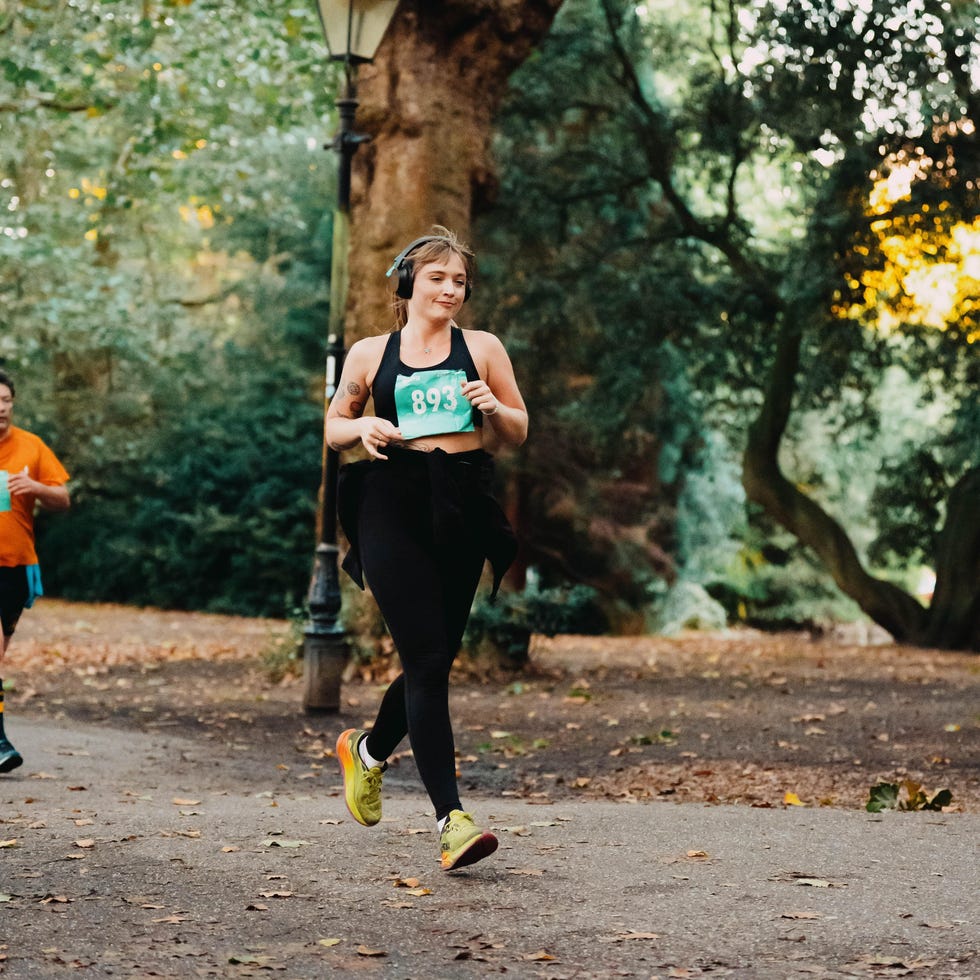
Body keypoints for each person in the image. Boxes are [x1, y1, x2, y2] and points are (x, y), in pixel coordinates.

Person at [327, 227, 528, 871]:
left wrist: (493, 406)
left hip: (461, 500)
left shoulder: (483, 348)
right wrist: (362, 425)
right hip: (390, 500)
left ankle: (367, 752)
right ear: (409, 282)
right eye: (439, 277)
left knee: (433, 661)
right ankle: (452, 820)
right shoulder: (369, 353)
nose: (451, 289)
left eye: (460, 281)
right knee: (426, 654)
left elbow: (518, 432)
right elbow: (334, 427)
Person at [0, 369, 71, 773]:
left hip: (17, 567)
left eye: (6, 400)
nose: (1, 408)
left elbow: (62, 497)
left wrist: (36, 489)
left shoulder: (31, 446)